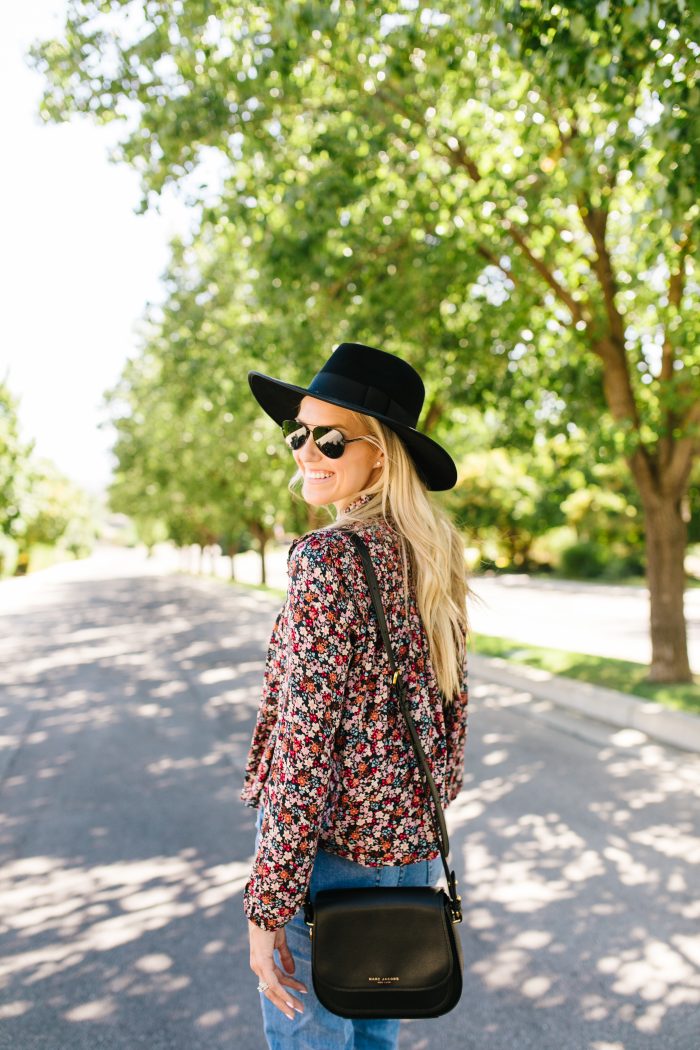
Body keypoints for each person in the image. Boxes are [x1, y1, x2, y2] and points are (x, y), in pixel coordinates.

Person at [241, 342, 470, 1050]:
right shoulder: (432, 558)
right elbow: (449, 728)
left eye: (330, 437)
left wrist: (267, 905)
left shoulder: (326, 562)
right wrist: (403, 826)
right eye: (300, 433)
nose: (307, 450)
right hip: (411, 855)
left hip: (328, 859)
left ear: (383, 454)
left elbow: (302, 754)